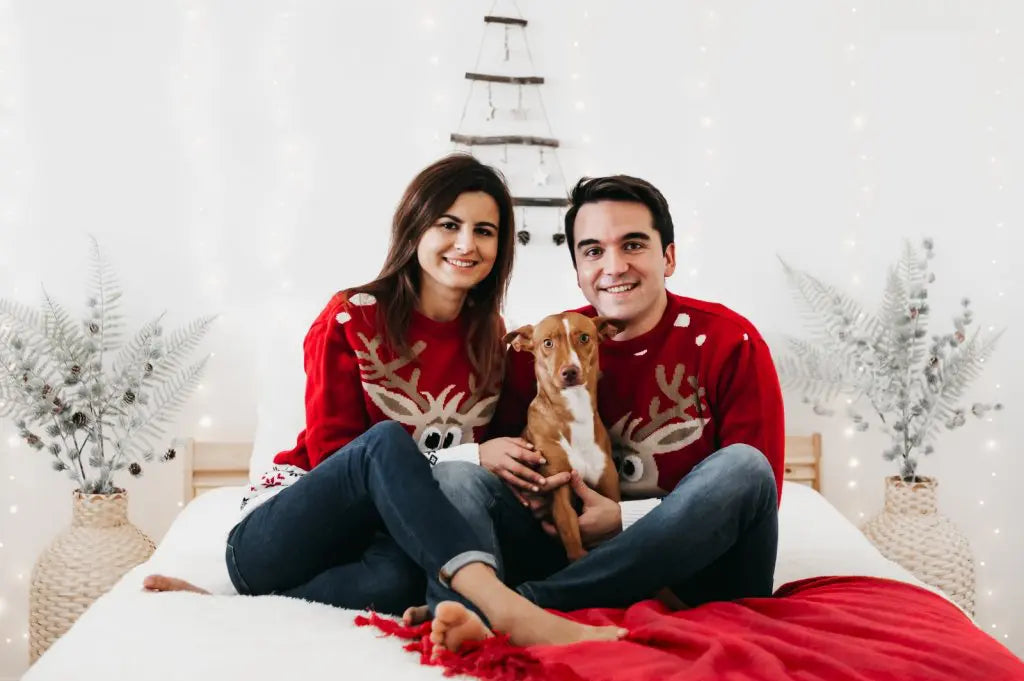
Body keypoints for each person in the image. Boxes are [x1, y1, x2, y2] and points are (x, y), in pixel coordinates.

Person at [143, 154, 626, 654]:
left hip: (389, 546)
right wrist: (468, 455)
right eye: (448, 224)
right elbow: (340, 459)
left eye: (485, 230)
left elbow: (503, 451)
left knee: (396, 587)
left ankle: (226, 602)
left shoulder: (493, 338)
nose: (466, 243)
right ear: (415, 227)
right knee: (385, 442)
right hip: (288, 534)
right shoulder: (351, 318)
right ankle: (506, 609)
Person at [432, 174, 786, 614]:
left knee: (746, 467)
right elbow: (511, 470)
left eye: (633, 245)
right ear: (578, 271)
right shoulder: (548, 346)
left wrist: (625, 521)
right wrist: (527, 491)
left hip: (700, 573)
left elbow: (756, 495)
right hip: (567, 549)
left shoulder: (728, 342)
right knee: (462, 476)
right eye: (594, 251)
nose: (614, 266)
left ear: (669, 257)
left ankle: (529, 606)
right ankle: (486, 600)